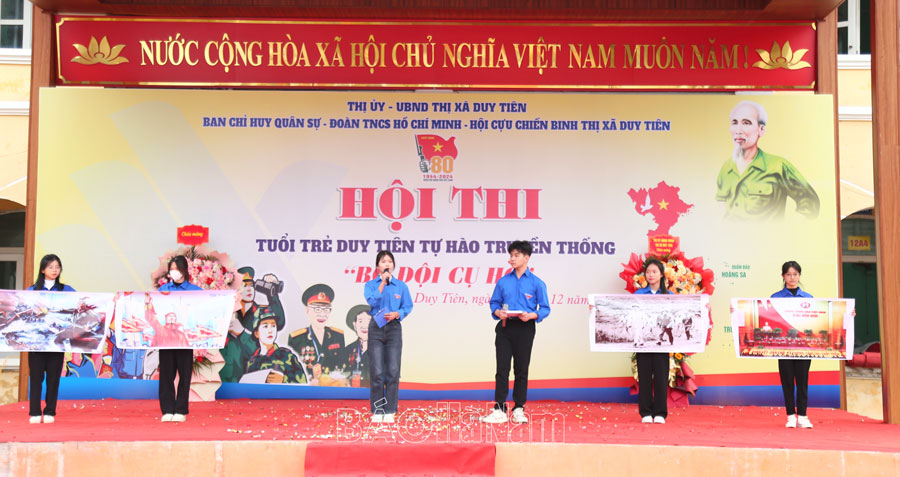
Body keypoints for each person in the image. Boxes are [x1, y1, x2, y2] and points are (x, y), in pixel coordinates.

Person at [481, 241, 550, 425]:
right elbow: (494, 303)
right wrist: (498, 312)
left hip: (525, 328)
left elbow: (545, 308)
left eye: (516, 255)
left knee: (521, 369)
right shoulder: (503, 281)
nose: (511, 259)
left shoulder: (537, 283)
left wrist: (532, 315)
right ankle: (499, 409)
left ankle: (519, 408)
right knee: (502, 369)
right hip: (505, 327)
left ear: (526, 258)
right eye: (511, 255)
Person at [715, 100, 820, 220]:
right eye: (734, 123)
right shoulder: (727, 167)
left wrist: (788, 228)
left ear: (761, 129)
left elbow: (810, 204)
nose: (738, 130)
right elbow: (720, 207)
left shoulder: (778, 166)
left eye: (746, 123)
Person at [363, 250, 413, 423]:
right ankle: (377, 410)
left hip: (393, 328)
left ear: (393, 265)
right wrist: (383, 283)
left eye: (390, 261)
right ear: (378, 266)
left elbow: (408, 306)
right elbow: (372, 301)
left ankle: (390, 409)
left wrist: (398, 314)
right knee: (377, 371)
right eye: (383, 261)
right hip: (376, 327)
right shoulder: (370, 284)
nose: (387, 264)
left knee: (393, 370)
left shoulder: (401, 286)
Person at [27, 254, 75, 424]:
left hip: (57, 342)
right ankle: (34, 412)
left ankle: (49, 411)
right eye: (51, 267)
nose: (55, 270)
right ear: (43, 269)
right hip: (36, 343)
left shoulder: (66, 290)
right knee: (36, 378)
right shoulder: (31, 291)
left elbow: (82, 305)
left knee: (53, 379)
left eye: (57, 267)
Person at [156, 255, 202, 423]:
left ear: (184, 270)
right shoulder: (163, 291)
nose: (174, 272)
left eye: (176, 269)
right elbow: (154, 310)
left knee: (184, 375)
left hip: (185, 341)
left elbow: (204, 310)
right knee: (166, 375)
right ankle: (167, 409)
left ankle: (181, 409)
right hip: (166, 341)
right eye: (171, 269)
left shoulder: (195, 291)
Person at [771, 260, 814, 429]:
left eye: (795, 274)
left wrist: (848, 313)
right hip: (784, 347)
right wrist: (737, 311)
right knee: (787, 381)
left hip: (804, 347)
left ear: (799, 276)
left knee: (802, 382)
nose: (792, 278)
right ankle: (790, 416)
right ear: (783, 276)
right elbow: (763, 316)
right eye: (788, 274)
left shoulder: (809, 298)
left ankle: (802, 416)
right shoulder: (775, 298)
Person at [634, 258, 670, 424]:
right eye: (648, 272)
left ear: (661, 274)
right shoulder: (639, 295)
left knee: (662, 378)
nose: (651, 275)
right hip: (643, 342)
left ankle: (660, 413)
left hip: (662, 343)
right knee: (645, 377)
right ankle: (646, 412)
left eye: (654, 272)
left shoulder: (669, 296)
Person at [288, 284, 345, 379]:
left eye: (326, 310)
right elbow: (290, 370)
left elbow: (341, 365)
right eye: (317, 309)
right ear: (307, 311)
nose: (322, 314)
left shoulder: (337, 335)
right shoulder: (296, 338)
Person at [242, 307, 308, 384]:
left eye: (273, 326)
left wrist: (283, 380)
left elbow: (302, 384)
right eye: (265, 326)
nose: (270, 330)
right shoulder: (251, 361)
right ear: (256, 333)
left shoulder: (287, 356)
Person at [342, 304, 372, 388]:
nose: (365, 326)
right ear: (354, 325)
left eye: (369, 321)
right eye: (360, 321)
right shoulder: (348, 350)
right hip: (351, 393)